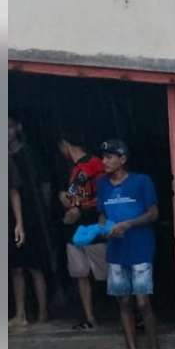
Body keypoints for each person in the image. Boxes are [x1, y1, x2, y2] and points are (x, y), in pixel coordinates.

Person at [95, 139, 159, 349]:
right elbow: (102, 215)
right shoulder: (102, 184)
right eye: (103, 157)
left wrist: (129, 224)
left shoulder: (142, 181)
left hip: (140, 247)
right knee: (123, 302)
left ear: (122, 159)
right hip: (116, 250)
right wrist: (104, 229)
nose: (104, 161)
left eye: (109, 157)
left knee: (142, 302)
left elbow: (153, 213)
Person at [57, 131, 106, 331]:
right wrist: (68, 202)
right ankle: (90, 317)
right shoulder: (74, 169)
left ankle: (128, 313)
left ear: (65, 144)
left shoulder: (96, 164)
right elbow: (73, 196)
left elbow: (104, 196)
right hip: (76, 230)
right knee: (80, 274)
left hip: (95, 226)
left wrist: (80, 208)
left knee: (107, 273)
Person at [9, 117, 51, 327]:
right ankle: (20, 314)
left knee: (35, 266)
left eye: (8, 126)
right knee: (15, 267)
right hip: (10, 216)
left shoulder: (28, 153)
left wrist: (45, 210)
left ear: (18, 127)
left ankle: (43, 313)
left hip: (33, 215)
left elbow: (42, 184)